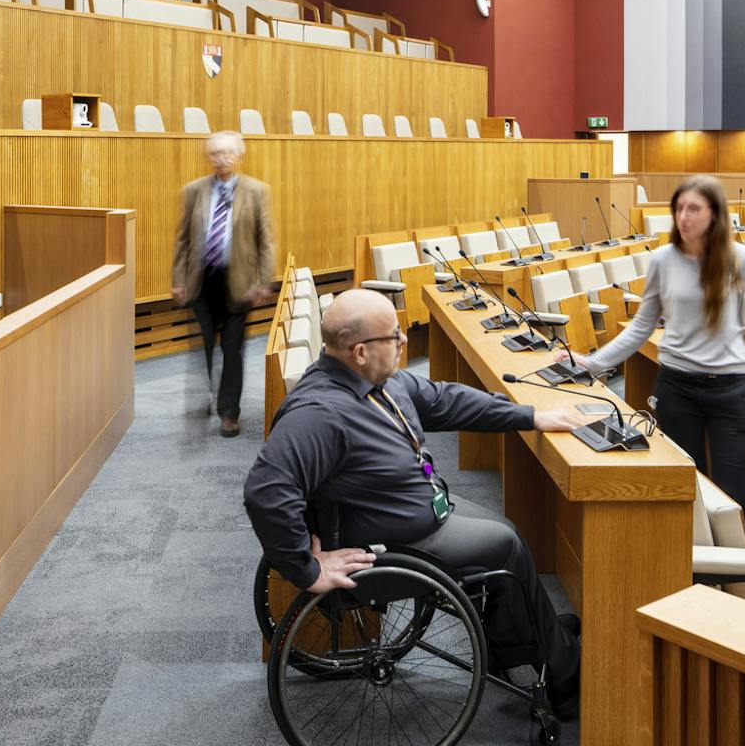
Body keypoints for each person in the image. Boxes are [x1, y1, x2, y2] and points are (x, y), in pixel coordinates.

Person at [244, 288, 586, 711]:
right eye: (394, 336)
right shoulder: (321, 411)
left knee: (506, 531)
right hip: (393, 542)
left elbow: (445, 400)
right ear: (361, 351)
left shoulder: (379, 381)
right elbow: (266, 489)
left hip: (419, 510)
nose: (405, 341)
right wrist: (306, 568)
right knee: (507, 545)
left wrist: (529, 415)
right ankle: (564, 674)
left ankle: (523, 638)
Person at [576, 174, 745, 513]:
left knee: (731, 499)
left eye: (694, 209)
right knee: (685, 493)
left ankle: (736, 567)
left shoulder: (742, 260)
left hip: (731, 391)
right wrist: (593, 363)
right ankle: (688, 567)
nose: (684, 217)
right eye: (679, 208)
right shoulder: (662, 260)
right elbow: (641, 326)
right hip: (677, 388)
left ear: (715, 214)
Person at [171, 130, 275, 437]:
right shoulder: (194, 190)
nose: (221, 159)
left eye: (228, 153)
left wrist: (263, 281)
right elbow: (182, 240)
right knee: (202, 347)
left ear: (239, 155)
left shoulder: (256, 191)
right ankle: (203, 397)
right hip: (202, 282)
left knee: (232, 350)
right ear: (209, 157)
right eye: (215, 153)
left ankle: (229, 411)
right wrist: (178, 280)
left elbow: (265, 241)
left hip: (239, 283)